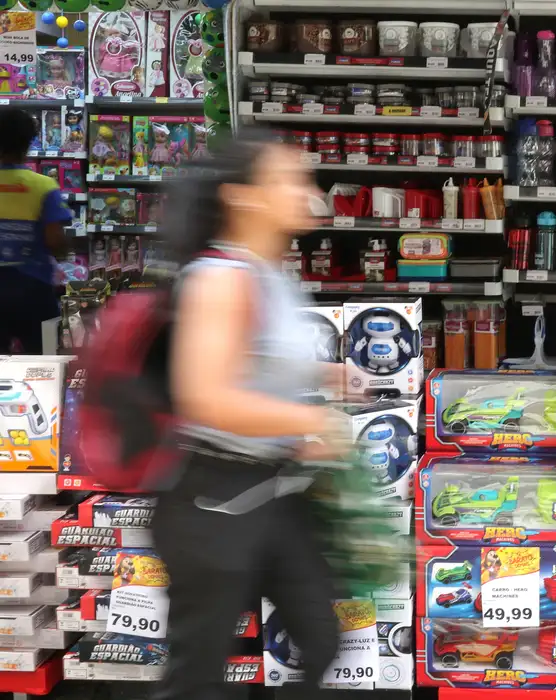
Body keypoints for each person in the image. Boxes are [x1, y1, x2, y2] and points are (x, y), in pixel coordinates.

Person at [151, 129, 348, 700]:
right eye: (289, 179)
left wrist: (320, 380)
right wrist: (312, 422)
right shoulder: (219, 278)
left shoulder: (268, 273)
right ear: (243, 197)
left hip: (275, 493)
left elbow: (251, 365)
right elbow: (206, 398)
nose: (309, 192)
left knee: (322, 637)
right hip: (214, 497)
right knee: (198, 678)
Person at [0, 108, 72, 354]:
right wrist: (64, 254)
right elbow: (55, 241)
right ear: (29, 142)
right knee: (44, 358)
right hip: (33, 290)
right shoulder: (43, 186)